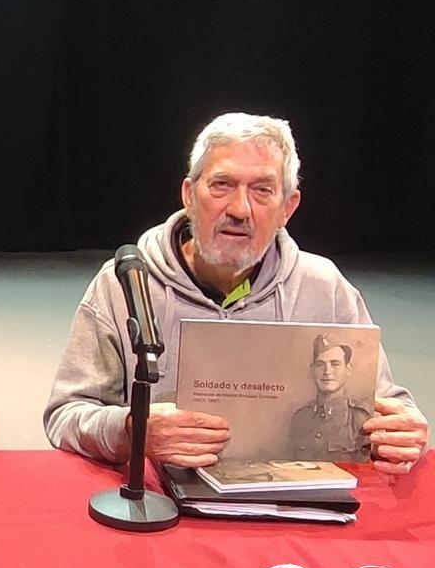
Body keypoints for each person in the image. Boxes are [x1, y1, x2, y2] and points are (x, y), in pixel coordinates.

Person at [43, 112, 427, 475]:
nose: (240, 209)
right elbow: (65, 415)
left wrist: (403, 431)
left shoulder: (324, 288)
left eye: (262, 190)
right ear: (189, 195)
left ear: (287, 208)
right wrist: (132, 430)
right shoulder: (126, 283)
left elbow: (389, 405)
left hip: (297, 511)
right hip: (162, 508)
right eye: (222, 185)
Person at [289, 334, 372, 461]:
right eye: (320, 364)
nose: (327, 371)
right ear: (312, 370)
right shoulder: (300, 418)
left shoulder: (361, 418)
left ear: (348, 369)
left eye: (335, 364)